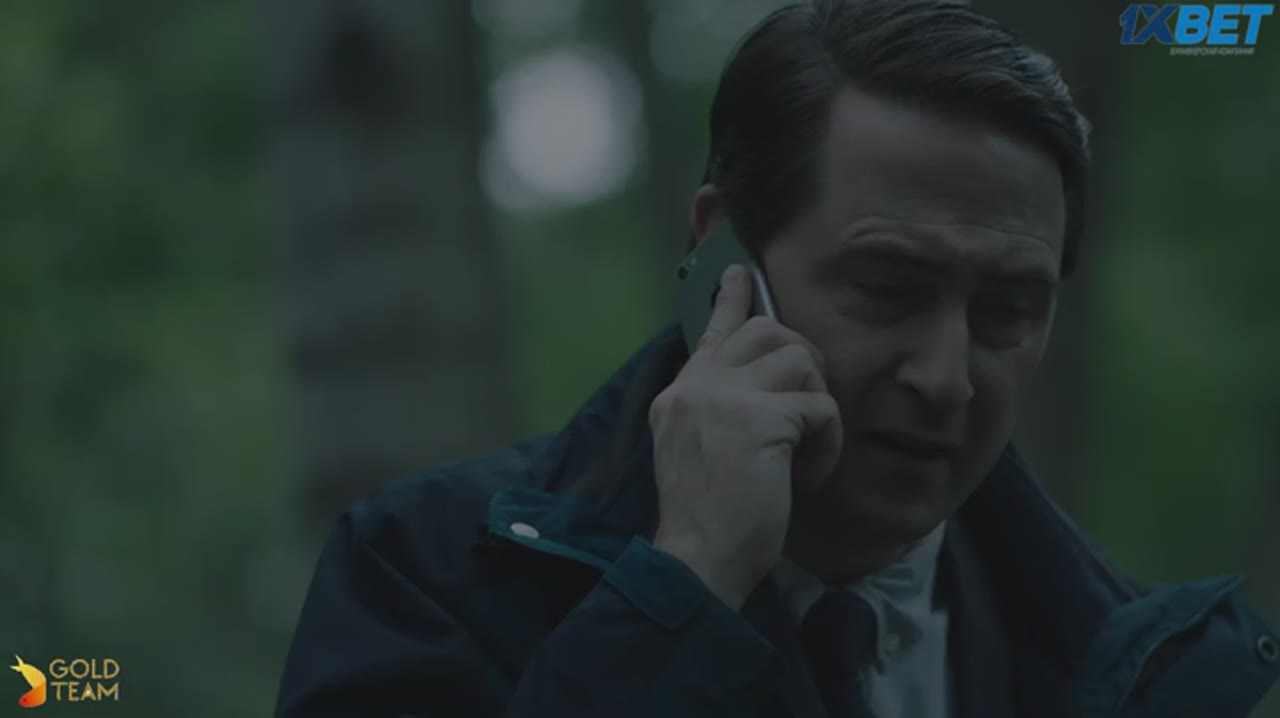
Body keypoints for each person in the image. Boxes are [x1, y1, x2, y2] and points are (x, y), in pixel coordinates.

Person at [274, 1, 1280, 716]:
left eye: (1007, 311)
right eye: (887, 289)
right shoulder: (424, 573)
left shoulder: (1150, 670)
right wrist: (682, 584)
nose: (944, 376)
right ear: (725, 257)